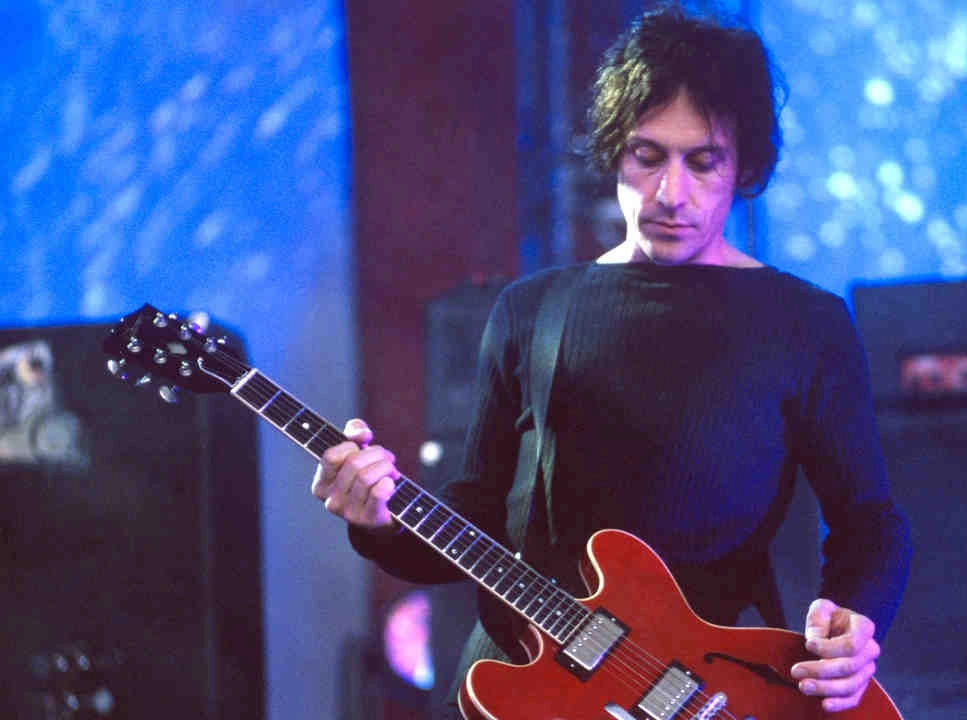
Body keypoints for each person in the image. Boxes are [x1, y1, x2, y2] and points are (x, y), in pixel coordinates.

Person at [313, 5, 911, 715]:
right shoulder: (532, 311)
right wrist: (378, 519)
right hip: (524, 690)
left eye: (703, 162)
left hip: (703, 693)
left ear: (744, 165)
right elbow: (474, 518)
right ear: (612, 152)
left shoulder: (806, 323)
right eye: (647, 156)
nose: (670, 193)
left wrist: (855, 619)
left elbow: (869, 521)